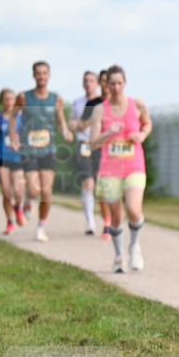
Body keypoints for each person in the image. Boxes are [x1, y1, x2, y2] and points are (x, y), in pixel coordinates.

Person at [88, 65, 152, 273]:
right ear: (106, 85)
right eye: (112, 83)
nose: (115, 87)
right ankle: (118, 256)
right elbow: (92, 144)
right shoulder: (99, 110)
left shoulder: (137, 104)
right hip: (109, 169)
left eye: (119, 83)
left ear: (124, 83)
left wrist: (141, 136)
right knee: (116, 218)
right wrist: (108, 134)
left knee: (133, 209)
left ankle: (134, 246)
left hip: (134, 165)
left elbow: (147, 124)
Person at [16, 61, 73, 242]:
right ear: (33, 75)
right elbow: (12, 118)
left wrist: (65, 132)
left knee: (46, 192)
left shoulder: (56, 99)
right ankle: (27, 200)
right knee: (33, 190)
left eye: (44, 73)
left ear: (49, 75)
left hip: (48, 149)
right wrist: (13, 136)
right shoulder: (23, 97)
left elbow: (61, 120)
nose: (41, 76)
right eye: (38, 73)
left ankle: (41, 227)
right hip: (29, 149)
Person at [80, 70, 113, 238]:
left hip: (110, 149)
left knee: (107, 188)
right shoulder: (93, 103)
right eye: (104, 82)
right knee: (95, 186)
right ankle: (104, 223)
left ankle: (110, 219)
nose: (107, 85)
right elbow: (82, 124)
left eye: (110, 81)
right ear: (100, 84)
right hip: (90, 147)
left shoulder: (118, 104)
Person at [0, 89, 26, 234]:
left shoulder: (21, 118)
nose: (9, 102)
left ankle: (18, 207)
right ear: (1, 101)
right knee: (6, 192)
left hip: (17, 157)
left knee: (18, 191)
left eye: (12, 99)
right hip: (2, 157)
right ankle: (9, 221)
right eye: (6, 99)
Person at [70, 71, 101, 234]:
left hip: (100, 145)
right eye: (86, 81)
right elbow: (74, 124)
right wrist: (77, 125)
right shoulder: (77, 103)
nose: (88, 83)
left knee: (100, 184)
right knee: (88, 182)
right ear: (83, 84)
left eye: (91, 80)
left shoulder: (104, 101)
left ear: (97, 83)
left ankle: (108, 220)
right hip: (84, 144)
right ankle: (90, 222)